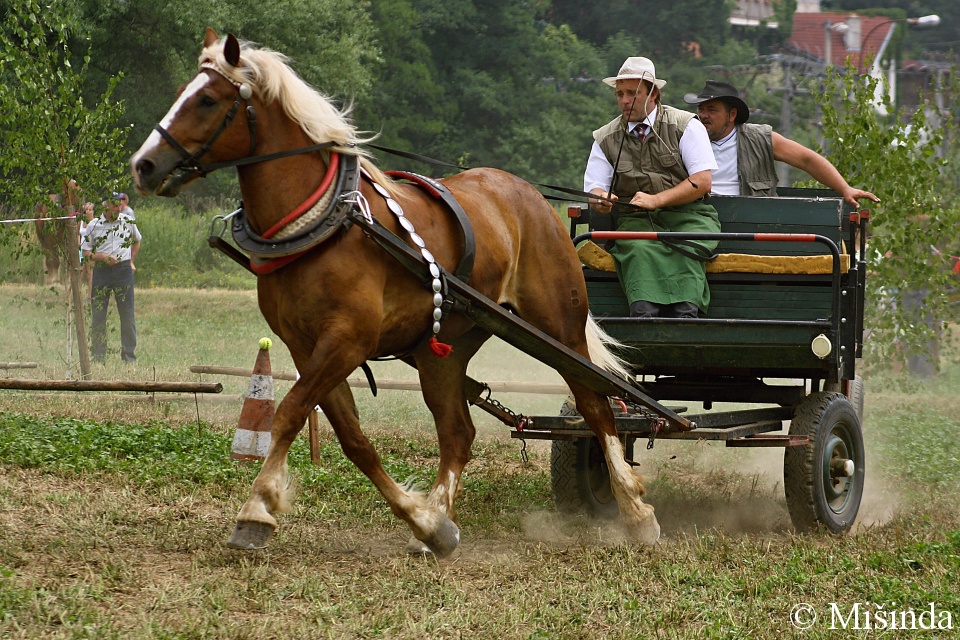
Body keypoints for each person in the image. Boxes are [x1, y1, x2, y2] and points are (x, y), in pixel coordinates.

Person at [585, 57, 719, 318]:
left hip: (690, 218)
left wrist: (656, 200)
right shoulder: (605, 137)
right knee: (639, 248)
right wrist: (601, 199)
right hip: (636, 222)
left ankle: (685, 316)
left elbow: (702, 181)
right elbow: (594, 189)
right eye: (620, 94)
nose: (625, 100)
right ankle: (643, 316)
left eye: (633, 93)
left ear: (654, 94)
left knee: (686, 246)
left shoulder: (686, 126)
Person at [684, 80, 880, 207]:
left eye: (711, 109)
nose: (703, 115)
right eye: (701, 109)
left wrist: (845, 189)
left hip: (750, 221)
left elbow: (807, 159)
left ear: (732, 114)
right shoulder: (686, 136)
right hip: (699, 216)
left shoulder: (759, 138)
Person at [81, 193, 142, 363]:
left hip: (123, 271)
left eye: (120, 205)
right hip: (102, 271)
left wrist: (131, 261)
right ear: (106, 206)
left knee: (127, 314)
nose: (118, 208)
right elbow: (86, 254)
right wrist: (101, 257)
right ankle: (99, 356)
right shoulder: (94, 225)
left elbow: (137, 240)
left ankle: (129, 356)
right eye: (114, 205)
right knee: (99, 314)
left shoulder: (127, 221)